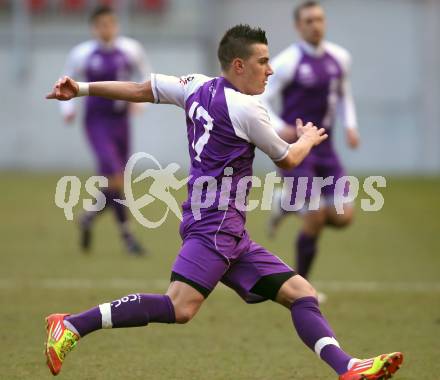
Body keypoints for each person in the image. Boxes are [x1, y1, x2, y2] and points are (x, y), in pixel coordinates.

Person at [45, 24, 402, 379]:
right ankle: (72, 326)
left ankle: (348, 367)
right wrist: (308, 138)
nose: (271, 69)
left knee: (300, 292)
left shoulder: (195, 85)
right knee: (179, 306)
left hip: (223, 226)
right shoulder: (247, 109)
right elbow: (289, 158)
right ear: (238, 65)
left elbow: (140, 89)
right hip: (216, 226)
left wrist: (81, 89)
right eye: (263, 61)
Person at [262, 1, 360, 283]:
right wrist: (281, 127)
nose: (315, 25)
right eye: (308, 21)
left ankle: (285, 202)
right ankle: (301, 286)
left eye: (319, 19)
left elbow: (344, 95)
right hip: (296, 150)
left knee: (343, 217)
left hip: (326, 148)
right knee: (315, 216)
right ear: (298, 26)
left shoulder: (339, 58)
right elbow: (261, 98)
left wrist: (350, 126)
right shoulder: (287, 61)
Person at [60, 5, 151, 254]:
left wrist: (140, 101)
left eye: (110, 24)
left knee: (116, 182)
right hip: (96, 122)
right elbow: (65, 79)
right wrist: (67, 110)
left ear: (116, 25)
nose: (106, 29)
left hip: (121, 123)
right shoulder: (83, 53)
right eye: (101, 25)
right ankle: (128, 238)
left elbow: (146, 74)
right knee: (116, 178)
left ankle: (90, 218)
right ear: (94, 28)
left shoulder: (130, 49)